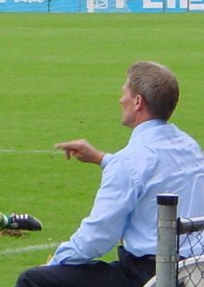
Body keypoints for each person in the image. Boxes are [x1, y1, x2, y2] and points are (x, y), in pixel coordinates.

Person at [15, 61, 204, 287]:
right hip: (194, 271)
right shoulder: (189, 146)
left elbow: (96, 238)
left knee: (32, 280)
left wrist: (55, 261)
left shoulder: (130, 161)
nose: (120, 99)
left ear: (137, 102)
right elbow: (153, 171)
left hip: (148, 276)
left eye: (124, 92)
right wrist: (102, 159)